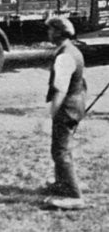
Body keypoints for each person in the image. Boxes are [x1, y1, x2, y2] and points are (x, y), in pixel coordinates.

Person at [41, 16, 87, 210]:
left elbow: (61, 89)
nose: (48, 33)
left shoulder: (65, 56)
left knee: (60, 152)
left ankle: (74, 195)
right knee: (60, 148)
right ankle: (62, 184)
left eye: (51, 30)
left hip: (67, 109)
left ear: (59, 33)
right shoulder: (72, 50)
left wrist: (50, 114)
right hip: (75, 106)